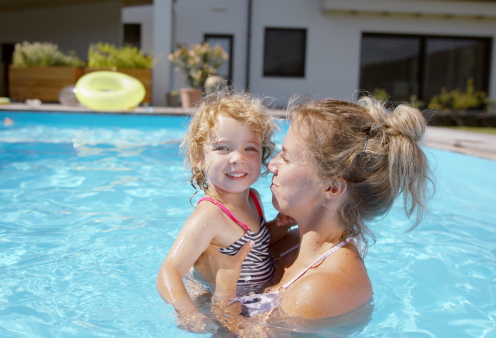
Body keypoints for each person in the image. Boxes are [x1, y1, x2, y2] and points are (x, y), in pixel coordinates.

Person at [196, 96, 434, 335]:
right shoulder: (289, 244)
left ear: (331, 187)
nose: (271, 165)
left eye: (286, 157)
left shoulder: (318, 289)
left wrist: (223, 290)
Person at [156, 93, 294, 332]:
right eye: (223, 148)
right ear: (199, 157)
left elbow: (257, 246)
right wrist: (188, 313)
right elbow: (169, 271)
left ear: (263, 155)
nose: (238, 158)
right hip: (222, 306)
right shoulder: (210, 216)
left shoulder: (254, 199)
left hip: (255, 298)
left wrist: (278, 226)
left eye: (250, 148)